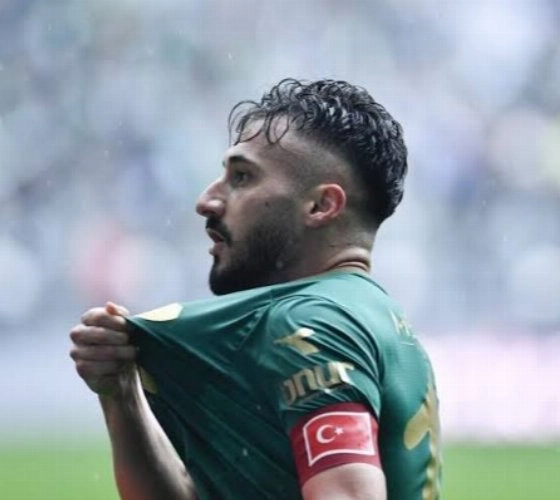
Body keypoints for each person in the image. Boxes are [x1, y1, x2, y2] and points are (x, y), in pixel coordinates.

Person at [70, 78, 441, 500]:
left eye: (242, 177)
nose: (207, 200)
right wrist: (121, 395)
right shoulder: (378, 317)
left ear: (321, 206)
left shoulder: (313, 323)